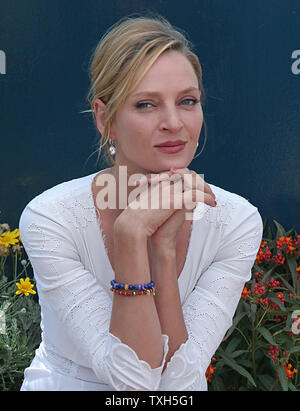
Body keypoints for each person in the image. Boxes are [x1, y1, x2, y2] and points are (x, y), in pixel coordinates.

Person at [19, 14, 263, 391]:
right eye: (147, 105)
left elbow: (178, 384)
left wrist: (162, 250)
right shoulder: (51, 218)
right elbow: (132, 380)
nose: (173, 122)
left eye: (187, 101)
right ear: (106, 119)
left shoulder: (235, 221)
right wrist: (132, 234)